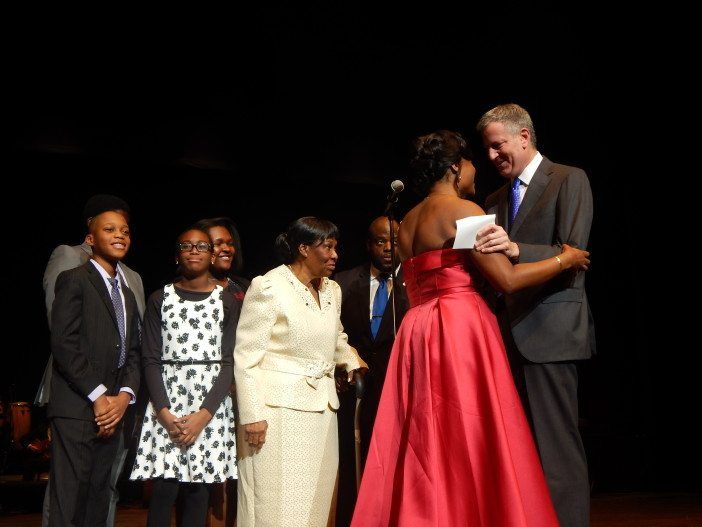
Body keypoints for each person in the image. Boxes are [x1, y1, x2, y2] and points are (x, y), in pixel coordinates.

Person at [351, 130, 590, 526]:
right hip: (458, 327)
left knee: (428, 433)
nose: (476, 167)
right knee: (469, 429)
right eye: (470, 161)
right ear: (453, 168)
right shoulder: (463, 211)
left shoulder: (407, 221)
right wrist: (566, 259)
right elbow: (507, 280)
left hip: (418, 330)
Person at [474, 103, 595, 527]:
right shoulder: (491, 200)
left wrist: (516, 249)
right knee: (519, 449)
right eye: (487, 150)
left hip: (552, 330)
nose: (492, 157)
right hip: (506, 336)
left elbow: (575, 250)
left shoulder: (568, 179)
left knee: (557, 447)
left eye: (498, 145)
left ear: (524, 136)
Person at [234, 217, 366, 527]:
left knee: (314, 501)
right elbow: (246, 355)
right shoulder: (269, 286)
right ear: (303, 248)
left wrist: (352, 360)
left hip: (322, 408)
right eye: (328, 247)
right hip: (277, 412)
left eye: (336, 247)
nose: (335, 255)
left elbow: (335, 338)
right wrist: (252, 414)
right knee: (274, 502)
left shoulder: (332, 289)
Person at [38, 194, 146, 527]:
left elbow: (133, 350)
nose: (119, 236)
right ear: (90, 238)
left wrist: (124, 396)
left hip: (114, 410)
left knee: (100, 497)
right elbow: (65, 343)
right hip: (78, 406)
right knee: (69, 501)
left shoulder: (127, 291)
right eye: (110, 229)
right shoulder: (74, 278)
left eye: (125, 231)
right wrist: (98, 395)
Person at [130, 228, 239, 527]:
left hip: (209, 405)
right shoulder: (159, 298)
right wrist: (164, 414)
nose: (194, 250)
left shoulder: (227, 301)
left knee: (198, 490)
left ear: (212, 253)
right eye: (186, 245)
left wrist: (203, 415)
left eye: (201, 245)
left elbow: (229, 362)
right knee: (164, 489)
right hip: (168, 402)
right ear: (176, 254)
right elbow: (150, 359)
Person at [334, 216, 410, 526]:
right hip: (356, 386)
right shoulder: (343, 281)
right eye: (381, 241)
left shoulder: (416, 282)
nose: (389, 248)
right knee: (357, 458)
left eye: (395, 240)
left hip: (401, 383)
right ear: (369, 245)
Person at [192, 216, 250, 527]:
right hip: (202, 396)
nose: (226, 248)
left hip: (240, 396)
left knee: (238, 480)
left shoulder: (246, 288)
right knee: (201, 482)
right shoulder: (187, 289)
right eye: (217, 243)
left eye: (229, 242)